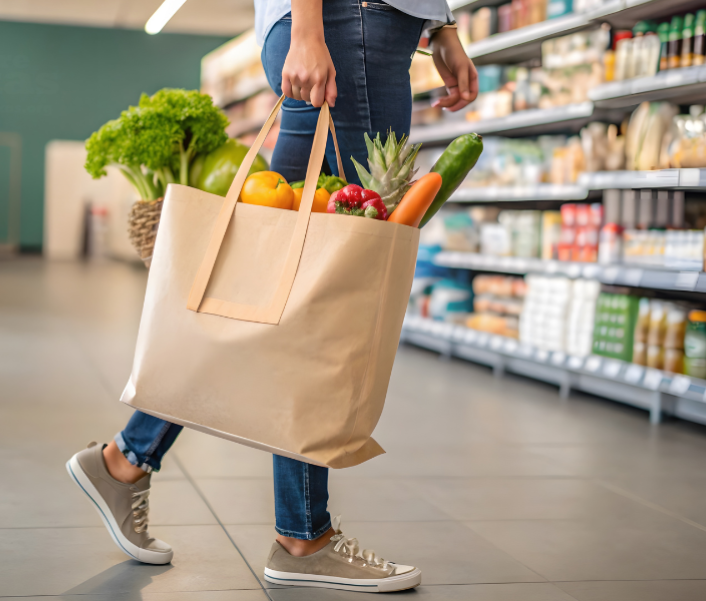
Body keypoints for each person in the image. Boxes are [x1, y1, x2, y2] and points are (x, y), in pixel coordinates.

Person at [67, 0, 478, 592]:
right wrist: (310, 30)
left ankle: (126, 461)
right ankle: (302, 536)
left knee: (282, 275)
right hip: (346, 24)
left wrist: (439, 27)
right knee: (323, 289)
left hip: (366, 28)